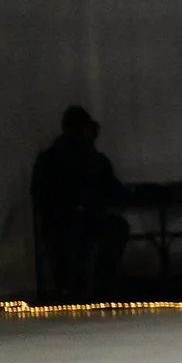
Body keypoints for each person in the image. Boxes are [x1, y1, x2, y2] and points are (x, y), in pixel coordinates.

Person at [29, 106, 129, 301]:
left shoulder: (49, 157)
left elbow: (37, 194)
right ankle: (102, 284)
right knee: (114, 229)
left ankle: (70, 286)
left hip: (57, 221)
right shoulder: (89, 158)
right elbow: (113, 190)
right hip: (79, 220)